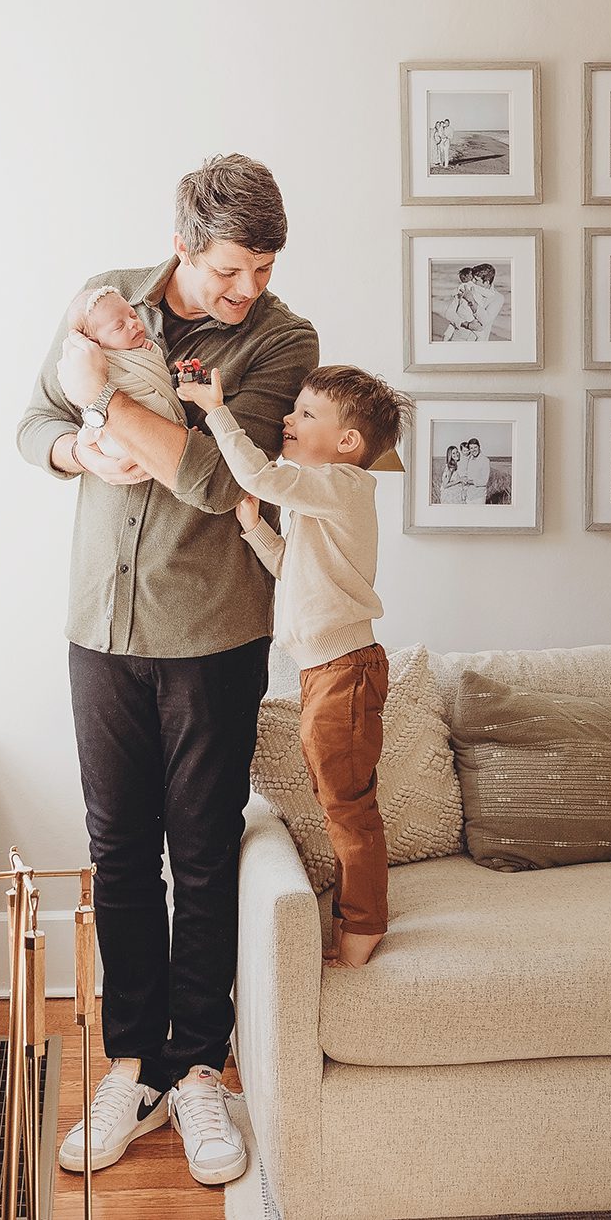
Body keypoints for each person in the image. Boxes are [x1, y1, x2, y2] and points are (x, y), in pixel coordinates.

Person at [16, 154, 318, 1188]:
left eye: (263, 268)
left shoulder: (285, 341)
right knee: (116, 848)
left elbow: (208, 476)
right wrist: (78, 451)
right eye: (233, 270)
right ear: (183, 245)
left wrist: (107, 413)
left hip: (214, 635)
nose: (250, 290)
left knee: (201, 850)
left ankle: (200, 1069)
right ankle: (135, 1065)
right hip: (98, 626)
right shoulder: (106, 300)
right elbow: (31, 424)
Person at [176, 365, 412, 967]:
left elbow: (257, 473)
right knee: (338, 799)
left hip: (343, 671)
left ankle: (364, 925)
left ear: (348, 443)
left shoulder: (341, 484)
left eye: (307, 414)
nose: (288, 418)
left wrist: (216, 409)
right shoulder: (323, 496)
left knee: (347, 806)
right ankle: (356, 914)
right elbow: (294, 570)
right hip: (323, 671)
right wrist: (255, 531)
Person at [66, 286, 183, 460]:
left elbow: (158, 375)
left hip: (163, 444)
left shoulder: (140, 346)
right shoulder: (95, 361)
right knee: (157, 410)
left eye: (133, 315)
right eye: (119, 326)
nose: (133, 323)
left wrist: (148, 353)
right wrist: (79, 458)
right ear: (94, 342)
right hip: (119, 439)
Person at [460, 437, 492, 503]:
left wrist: (469, 481)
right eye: (471, 448)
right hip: (468, 496)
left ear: (479, 447)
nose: (473, 450)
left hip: (479, 496)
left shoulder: (485, 460)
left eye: (475, 447)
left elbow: (484, 481)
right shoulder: (469, 459)